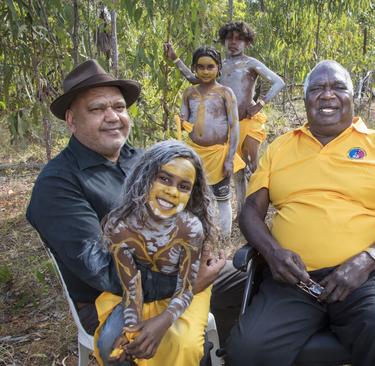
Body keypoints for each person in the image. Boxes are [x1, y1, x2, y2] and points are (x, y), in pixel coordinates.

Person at [26, 59, 245, 358]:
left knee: (247, 281)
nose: (112, 117)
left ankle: (226, 354)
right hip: (112, 297)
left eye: (118, 107)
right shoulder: (58, 184)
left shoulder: (142, 160)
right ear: (71, 120)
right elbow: (100, 268)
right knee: (135, 344)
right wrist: (185, 284)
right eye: (97, 109)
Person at [226, 60, 375, 366]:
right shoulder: (280, 148)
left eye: (337, 87)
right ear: (305, 101)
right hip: (294, 280)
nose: (326, 95)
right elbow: (250, 211)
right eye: (316, 88)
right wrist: (273, 253)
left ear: (353, 97)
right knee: (246, 351)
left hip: (366, 278)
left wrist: (369, 259)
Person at [95, 140, 221, 365]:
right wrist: (132, 330)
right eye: (163, 178)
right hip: (138, 293)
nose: (172, 192)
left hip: (188, 291)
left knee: (183, 345)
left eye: (183, 186)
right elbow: (132, 288)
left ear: (192, 193)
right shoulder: (120, 227)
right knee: (113, 345)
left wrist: (162, 322)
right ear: (145, 177)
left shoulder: (190, 228)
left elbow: (187, 287)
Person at [164, 21, 285, 211]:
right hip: (230, 126)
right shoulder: (219, 66)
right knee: (237, 169)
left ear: (247, 42)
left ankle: (266, 208)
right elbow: (194, 79)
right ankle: (243, 211)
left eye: (239, 39)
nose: (234, 43)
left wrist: (260, 104)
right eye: (229, 38)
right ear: (223, 41)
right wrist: (175, 59)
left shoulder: (250, 63)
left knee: (254, 166)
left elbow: (278, 82)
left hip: (249, 122)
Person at [177, 45, 245, 238]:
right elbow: (184, 118)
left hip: (219, 154)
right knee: (196, 196)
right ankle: (198, 234)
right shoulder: (189, 93)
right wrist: (181, 121)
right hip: (194, 153)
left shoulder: (225, 93)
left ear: (218, 68)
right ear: (194, 68)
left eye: (210, 67)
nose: (205, 71)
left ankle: (223, 237)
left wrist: (230, 158)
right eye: (201, 67)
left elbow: (235, 126)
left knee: (222, 197)